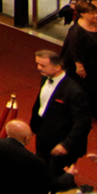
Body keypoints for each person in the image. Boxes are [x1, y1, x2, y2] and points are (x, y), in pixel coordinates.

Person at [28, 46, 91, 176]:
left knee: (56, 175)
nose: (39, 68)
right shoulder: (45, 78)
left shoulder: (75, 91)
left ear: (58, 67)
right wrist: (34, 127)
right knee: (40, 168)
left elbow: (83, 123)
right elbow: (42, 103)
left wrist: (66, 145)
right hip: (43, 134)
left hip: (62, 140)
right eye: (38, 64)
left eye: (43, 65)